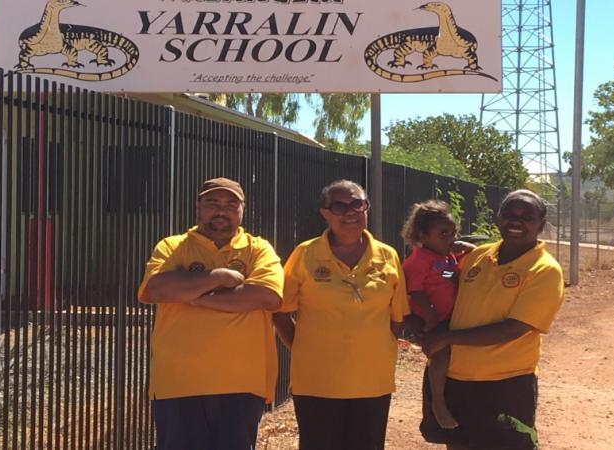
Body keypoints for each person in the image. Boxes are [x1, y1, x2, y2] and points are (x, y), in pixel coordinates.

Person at [137, 177, 284, 450]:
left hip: (241, 384)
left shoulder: (258, 249)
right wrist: (217, 277)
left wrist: (193, 296)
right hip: (178, 384)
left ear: (242, 209)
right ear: (198, 207)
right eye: (212, 203)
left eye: (230, 204)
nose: (221, 210)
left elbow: (267, 296)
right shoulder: (172, 246)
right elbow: (155, 290)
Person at [419, 189, 565, 450]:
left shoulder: (545, 270)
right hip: (458, 381)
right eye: (509, 214)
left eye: (526, 216)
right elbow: (437, 286)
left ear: (541, 224)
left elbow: (514, 329)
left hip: (506, 386)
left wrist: (446, 337)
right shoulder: (478, 256)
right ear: (498, 219)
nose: (516, 221)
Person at [273, 179, 410, 450]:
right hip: (317, 382)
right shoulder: (305, 254)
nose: (351, 212)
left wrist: (373, 351)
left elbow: (397, 319)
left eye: (358, 204)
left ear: (366, 208)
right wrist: (304, 349)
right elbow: (280, 313)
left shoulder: (388, 256)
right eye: (340, 205)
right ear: (325, 213)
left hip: (373, 382)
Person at [400, 200, 475, 430]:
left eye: (453, 233)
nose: (450, 239)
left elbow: (463, 267)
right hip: (432, 321)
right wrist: (430, 315)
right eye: (443, 234)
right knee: (440, 356)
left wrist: (466, 249)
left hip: (450, 317)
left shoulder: (447, 256)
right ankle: (438, 403)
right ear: (423, 235)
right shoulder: (418, 260)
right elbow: (415, 291)